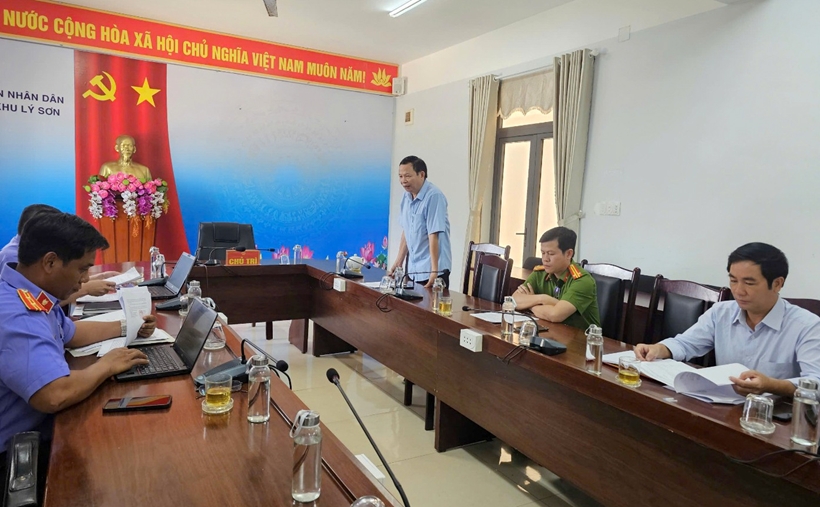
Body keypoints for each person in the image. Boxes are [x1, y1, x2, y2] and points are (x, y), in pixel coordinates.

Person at [0, 212, 152, 456]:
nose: (85, 280)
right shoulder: (18, 317)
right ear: (50, 262)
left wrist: (130, 326)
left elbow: (71, 333)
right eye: (82, 269)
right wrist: (106, 366)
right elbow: (54, 395)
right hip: (15, 455)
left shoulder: (29, 293)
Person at [635, 243, 820, 397]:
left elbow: (815, 383)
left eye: (749, 283)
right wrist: (659, 349)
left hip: (774, 417)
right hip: (723, 406)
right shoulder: (722, 312)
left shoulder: (807, 326)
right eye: (733, 280)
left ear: (777, 283)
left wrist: (771, 385)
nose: (738, 291)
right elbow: (686, 344)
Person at [513, 226, 600, 330]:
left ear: (568, 254)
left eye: (551, 254)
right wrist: (542, 299)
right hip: (550, 331)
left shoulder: (582, 281)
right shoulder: (540, 273)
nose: (545, 259)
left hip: (580, 337)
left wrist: (530, 304)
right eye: (543, 253)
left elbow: (555, 315)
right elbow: (514, 300)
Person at [388, 155, 452, 287]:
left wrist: (434, 271)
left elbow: (434, 234)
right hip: (413, 270)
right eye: (400, 176)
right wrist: (399, 261)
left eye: (407, 176)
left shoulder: (434, 196)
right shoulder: (406, 197)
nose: (403, 181)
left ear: (421, 174)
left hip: (433, 271)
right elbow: (407, 231)